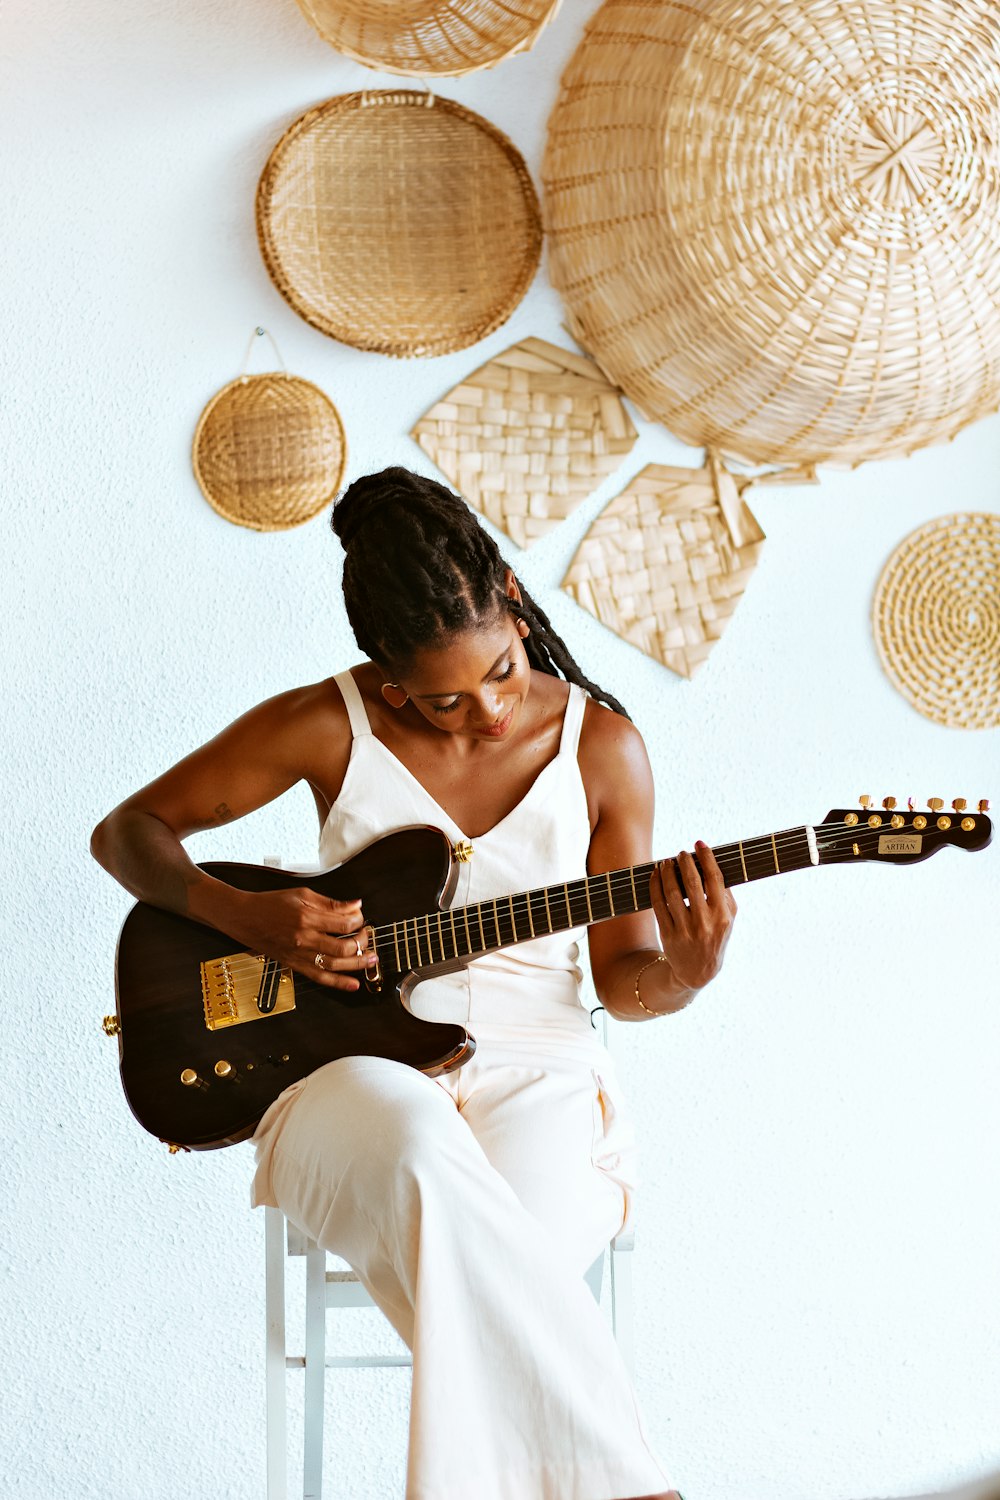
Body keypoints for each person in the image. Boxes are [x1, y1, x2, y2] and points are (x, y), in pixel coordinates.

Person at [91, 467, 737, 1500]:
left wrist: (686, 975)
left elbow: (626, 982)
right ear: (385, 679)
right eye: (442, 698)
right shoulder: (322, 724)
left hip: (542, 1074)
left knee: (495, 1256)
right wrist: (242, 912)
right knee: (420, 1149)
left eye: (503, 672)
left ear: (516, 607)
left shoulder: (605, 751)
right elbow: (127, 832)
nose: (483, 711)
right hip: (345, 1068)